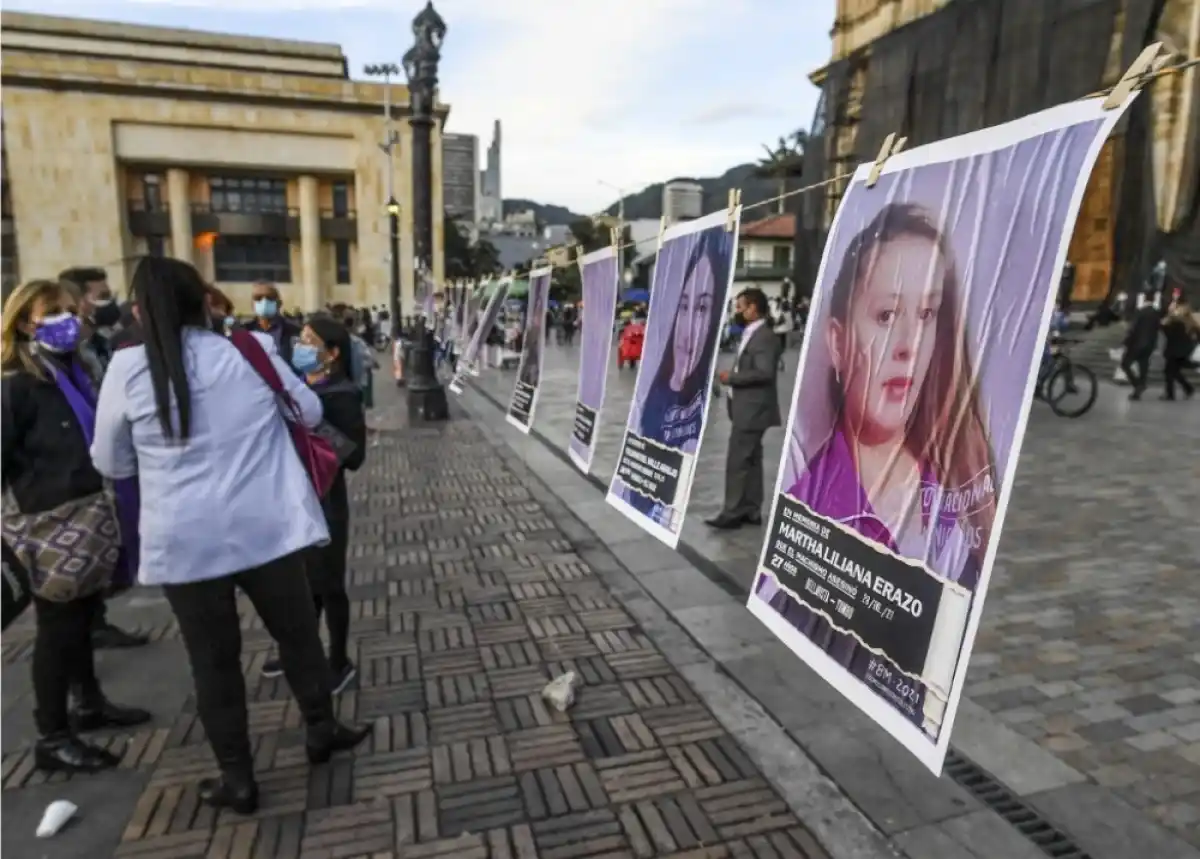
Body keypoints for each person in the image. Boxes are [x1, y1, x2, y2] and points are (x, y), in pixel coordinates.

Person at [90, 257, 368, 814]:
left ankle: (238, 778)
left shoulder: (126, 369)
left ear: (140, 311)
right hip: (265, 528)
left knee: (213, 661)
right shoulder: (249, 351)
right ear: (204, 302)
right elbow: (309, 410)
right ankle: (321, 728)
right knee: (298, 636)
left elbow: (111, 461)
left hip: (185, 541)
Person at [760, 203, 997, 735]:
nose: (909, 345)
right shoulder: (807, 511)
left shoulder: (964, 490)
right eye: (887, 316)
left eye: (927, 315)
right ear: (838, 341)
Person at [2, 279, 151, 774]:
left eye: (71, 309)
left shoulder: (75, 371)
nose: (68, 319)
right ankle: (52, 736)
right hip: (48, 524)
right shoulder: (15, 386)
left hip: (89, 514)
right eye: (53, 312)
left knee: (84, 618)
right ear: (26, 323)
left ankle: (88, 703)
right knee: (57, 630)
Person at [261, 315, 367, 691]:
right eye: (301, 340)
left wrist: (312, 420)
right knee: (305, 585)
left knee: (329, 583)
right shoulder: (300, 386)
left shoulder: (342, 394)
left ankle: (339, 660)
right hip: (295, 498)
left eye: (310, 341)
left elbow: (354, 456)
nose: (300, 347)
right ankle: (300, 650)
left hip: (326, 502)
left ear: (332, 353)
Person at [620, 228, 728, 528]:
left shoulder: (697, 412)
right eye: (683, 305)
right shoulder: (652, 400)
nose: (689, 328)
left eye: (703, 308)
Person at [707, 288, 780, 529]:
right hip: (746, 407)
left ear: (753, 308)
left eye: (740, 307)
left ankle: (732, 511)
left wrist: (731, 378)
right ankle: (751, 509)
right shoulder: (752, 333)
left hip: (752, 410)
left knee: (738, 461)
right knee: (752, 459)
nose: (737, 311)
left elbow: (764, 372)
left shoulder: (764, 336)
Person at [240, 281, 301, 370]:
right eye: (258, 298)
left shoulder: (295, 330)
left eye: (270, 297)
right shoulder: (244, 332)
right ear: (252, 304)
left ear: (279, 303)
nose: (264, 301)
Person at [1121, 291, 1162, 400]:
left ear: (1144, 299)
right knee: (1143, 367)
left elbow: (1133, 329)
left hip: (1136, 344)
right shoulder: (1156, 313)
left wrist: (1126, 341)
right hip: (1149, 345)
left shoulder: (1140, 312)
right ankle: (1140, 388)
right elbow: (1157, 329)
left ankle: (1137, 384)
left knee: (1125, 364)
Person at [1160, 296, 1198, 401]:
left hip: (1175, 350)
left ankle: (1171, 394)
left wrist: (1166, 320)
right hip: (1182, 349)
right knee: (1173, 371)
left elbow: (1168, 331)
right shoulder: (1188, 319)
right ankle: (1188, 388)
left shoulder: (1177, 319)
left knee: (1169, 371)